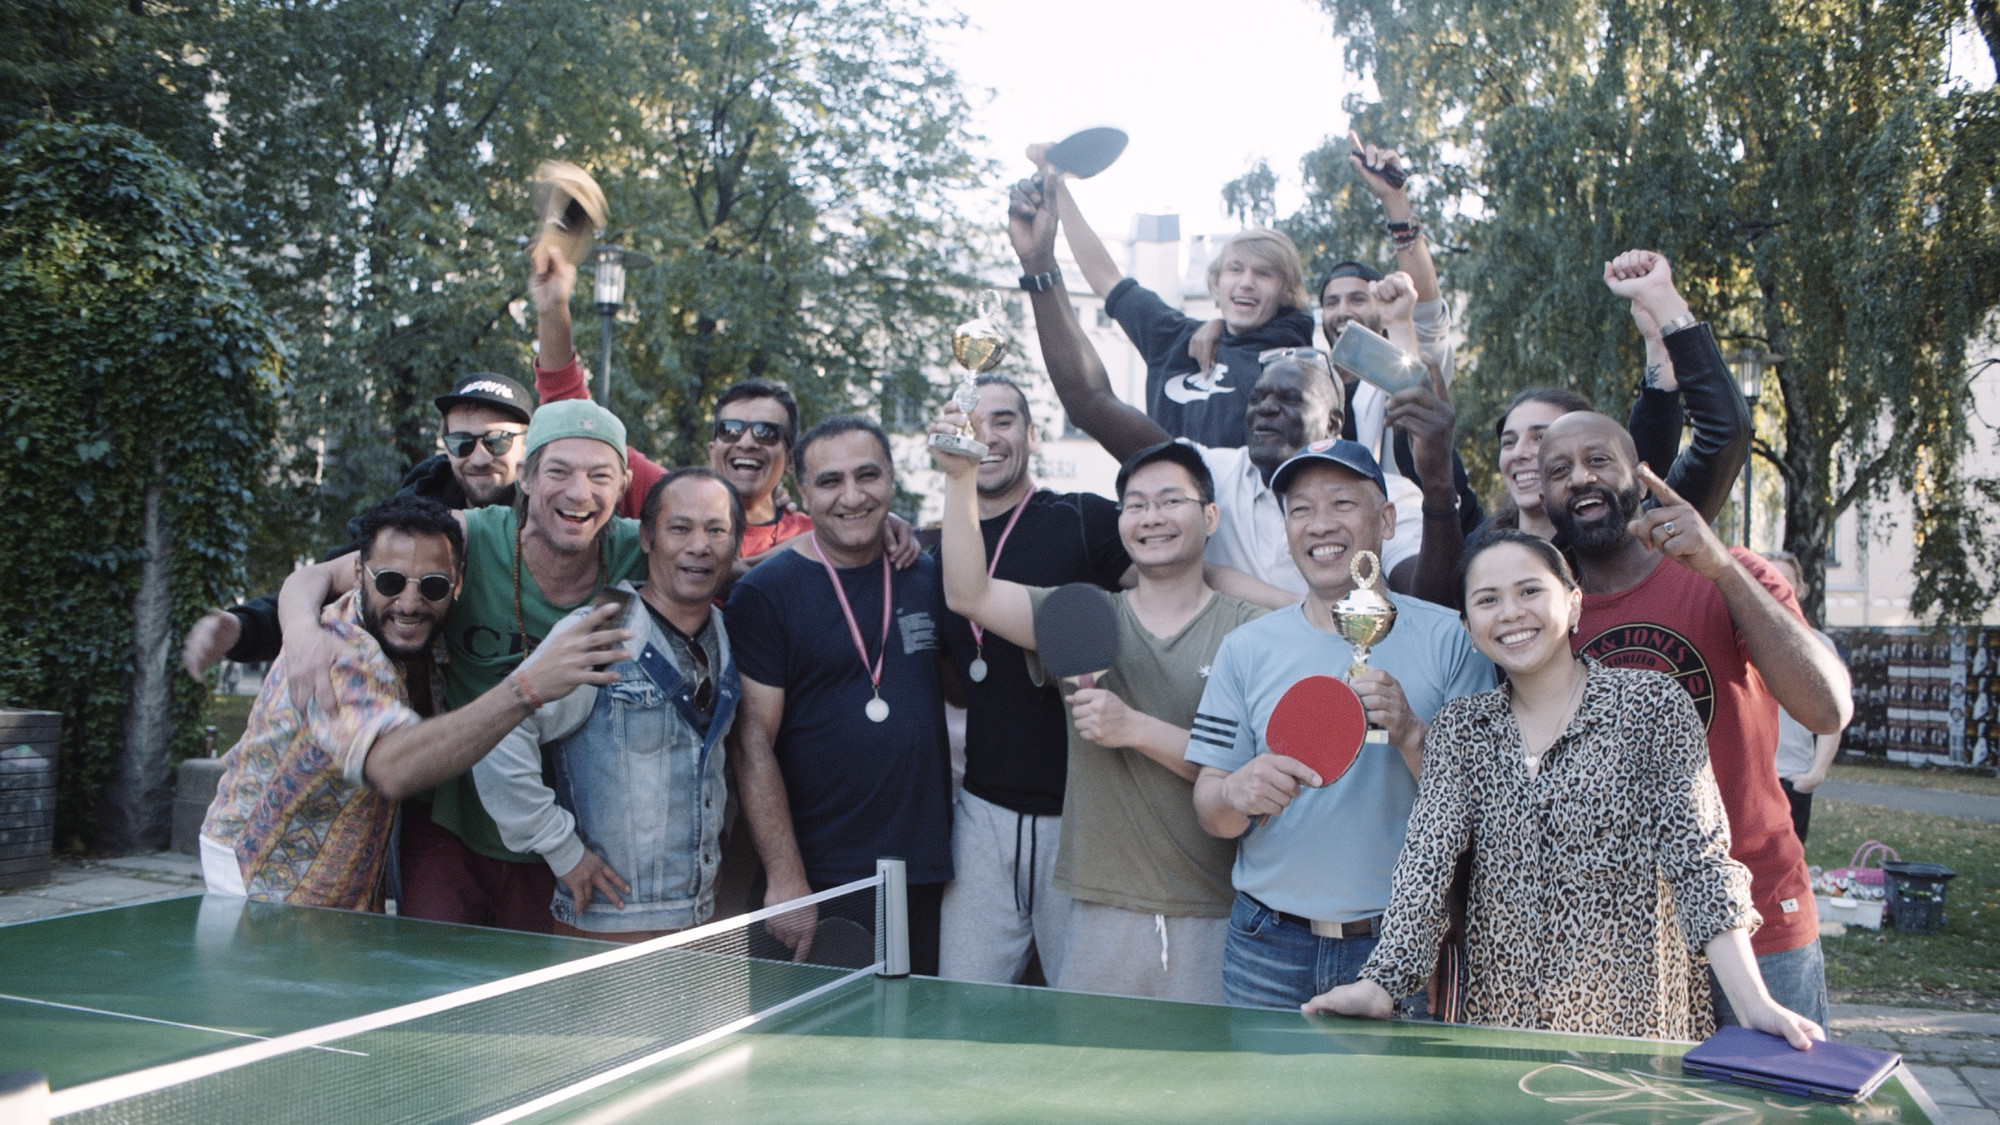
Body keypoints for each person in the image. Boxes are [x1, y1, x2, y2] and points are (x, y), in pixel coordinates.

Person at [1302, 530, 1824, 1049]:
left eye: (1530, 591)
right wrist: (1382, 984)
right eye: (1487, 600)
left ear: (1574, 604)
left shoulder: (1650, 706)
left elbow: (1701, 864)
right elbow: (1425, 864)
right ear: (1468, 625)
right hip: (1503, 1029)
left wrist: (1754, 1003)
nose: (1509, 613)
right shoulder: (1461, 730)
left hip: (1631, 1031)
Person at [273, 398, 649, 932]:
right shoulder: (468, 536)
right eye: (559, 472)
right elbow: (315, 578)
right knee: (431, 985)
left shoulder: (643, 550)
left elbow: (734, 563)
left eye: (600, 475)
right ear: (525, 477)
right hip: (451, 821)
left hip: (567, 835)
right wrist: (302, 633)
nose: (578, 492)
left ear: (624, 483)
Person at [1006, 174, 1461, 603]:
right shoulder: (1213, 476)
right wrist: (1040, 267)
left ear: (1335, 421)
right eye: (1257, 399)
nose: (1264, 409)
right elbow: (1090, 403)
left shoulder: (1388, 495)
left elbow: (1430, 603)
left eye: (1288, 399)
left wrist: (1439, 485)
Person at [1541, 403, 1852, 1030]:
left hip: (1759, 912)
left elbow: (1825, 708)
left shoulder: (1726, 572)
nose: (1579, 477)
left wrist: (1722, 570)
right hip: (1615, 938)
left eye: (1597, 460)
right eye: (1558, 470)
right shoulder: (1537, 609)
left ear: (1639, 473)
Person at [937, 426, 1263, 1003]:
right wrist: (959, 477)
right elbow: (969, 594)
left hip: (1216, 908)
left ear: (1210, 516)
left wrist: (1133, 729)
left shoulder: (1250, 630)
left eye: (1170, 502)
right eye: (1135, 505)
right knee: (1090, 1084)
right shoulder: (1079, 617)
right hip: (1097, 909)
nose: (1151, 517)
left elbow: (1247, 778)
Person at [199, 494, 625, 910]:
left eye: (433, 586)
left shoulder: (429, 639)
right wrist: (527, 689)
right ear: (358, 574)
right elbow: (395, 769)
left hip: (336, 888)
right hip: (258, 881)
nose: (409, 602)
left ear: (457, 583)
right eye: (390, 582)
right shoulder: (338, 652)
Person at [1187, 440, 1492, 1010]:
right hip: (1265, 945)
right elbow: (1211, 811)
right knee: (1254, 1104)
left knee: (1393, 1106)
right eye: (1300, 509)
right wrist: (1236, 789)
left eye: (1342, 503)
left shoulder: (1453, 639)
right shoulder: (1246, 648)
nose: (1319, 524)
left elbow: (1484, 811)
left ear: (1387, 519)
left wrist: (1410, 734)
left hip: (1399, 946)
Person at [525, 242, 916, 576]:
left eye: (765, 432)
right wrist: (552, 309)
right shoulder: (670, 502)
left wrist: (876, 522)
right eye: (730, 430)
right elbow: (574, 421)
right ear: (712, 449)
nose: (746, 442)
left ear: (791, 459)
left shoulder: (820, 533)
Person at [724, 417, 954, 972]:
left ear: (893, 481)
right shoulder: (766, 594)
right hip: (816, 877)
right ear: (803, 492)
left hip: (923, 871)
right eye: (830, 482)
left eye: (867, 476)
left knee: (910, 1047)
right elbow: (751, 743)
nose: (852, 497)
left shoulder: (926, 574)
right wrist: (785, 877)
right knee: (806, 1051)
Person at [475, 468, 744, 939]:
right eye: (680, 528)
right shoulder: (598, 631)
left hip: (701, 921)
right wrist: (562, 850)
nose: (699, 546)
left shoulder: (728, 632)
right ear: (646, 538)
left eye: (716, 530)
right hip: (603, 925)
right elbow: (497, 733)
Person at [934, 374, 1132, 986]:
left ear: (1032, 434)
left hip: (1082, 816)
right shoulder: (935, 541)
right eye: (972, 424)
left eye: (1004, 421)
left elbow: (1183, 590)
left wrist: (1292, 605)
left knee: (1080, 1015)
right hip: (982, 817)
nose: (987, 438)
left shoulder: (1084, 519)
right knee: (963, 1009)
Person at [182, 371, 535, 673]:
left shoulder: (552, 513)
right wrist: (241, 628)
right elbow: (339, 587)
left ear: (529, 445)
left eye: (498, 441)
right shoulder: (421, 511)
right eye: (462, 443)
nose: (480, 456)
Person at [1031, 147, 1315, 450]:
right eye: (1235, 269)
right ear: (1216, 281)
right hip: (1166, 492)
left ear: (1285, 290)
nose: (1246, 282)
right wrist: (1056, 183)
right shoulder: (1173, 338)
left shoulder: (1291, 362)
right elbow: (1107, 278)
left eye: (1263, 273)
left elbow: (1301, 322)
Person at [1485, 251, 1750, 540]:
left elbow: (1722, 436)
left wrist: (1663, 305)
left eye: (1541, 438)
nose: (1520, 452)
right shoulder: (1478, 551)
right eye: (1508, 441)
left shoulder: (1637, 540)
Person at [1763, 550, 1848, 843]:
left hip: (1790, 779)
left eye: (1783, 580)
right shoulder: (1732, 638)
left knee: (1785, 878)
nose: (1774, 587)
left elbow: (1833, 717)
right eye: (1766, 579)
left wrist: (1816, 774)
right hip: (1745, 779)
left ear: (1799, 588)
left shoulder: (1818, 646)